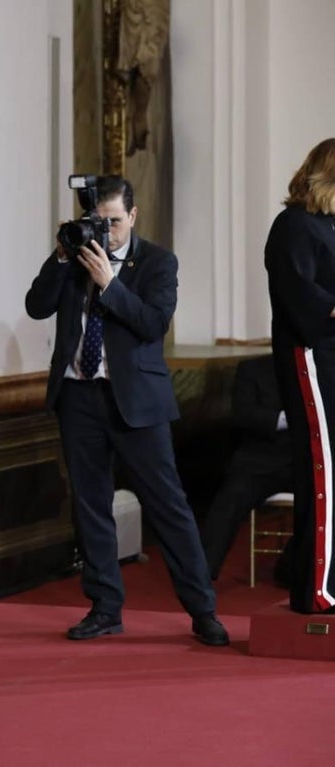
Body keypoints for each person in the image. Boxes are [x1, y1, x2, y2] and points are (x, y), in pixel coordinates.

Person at [24, 174, 230, 647]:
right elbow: (37, 305)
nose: (107, 231)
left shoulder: (158, 261)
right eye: (99, 222)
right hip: (79, 396)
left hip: (136, 402)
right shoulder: (74, 256)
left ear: (133, 217)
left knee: (168, 505)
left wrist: (110, 285)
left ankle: (203, 610)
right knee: (91, 505)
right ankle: (104, 608)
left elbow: (153, 324)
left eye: (115, 222)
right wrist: (61, 255)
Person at [264, 137, 335, 614]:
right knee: (322, 472)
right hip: (311, 360)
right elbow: (300, 297)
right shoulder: (293, 225)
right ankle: (315, 589)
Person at [198, 354, 293, 580]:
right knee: (231, 497)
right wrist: (288, 418)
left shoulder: (322, 365)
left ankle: (292, 569)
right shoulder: (252, 369)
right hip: (259, 461)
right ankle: (199, 575)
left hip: (307, 461)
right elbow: (243, 415)